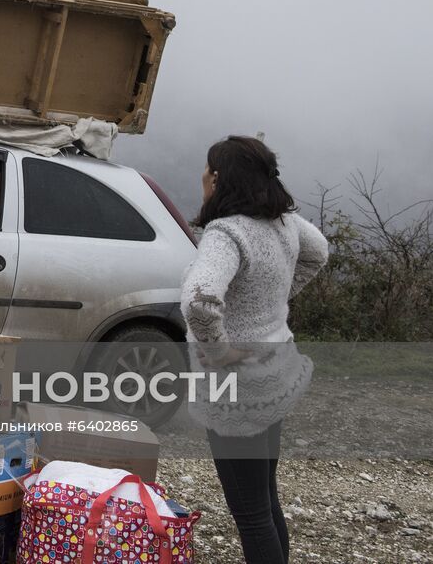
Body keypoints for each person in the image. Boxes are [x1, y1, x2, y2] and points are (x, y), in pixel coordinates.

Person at [180, 135, 329, 564]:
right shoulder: (284, 223)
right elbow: (319, 253)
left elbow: (199, 301)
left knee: (250, 514)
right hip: (275, 375)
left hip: (236, 391)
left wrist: (219, 351)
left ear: (218, 177)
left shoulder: (226, 234)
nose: (203, 176)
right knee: (265, 500)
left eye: (207, 169)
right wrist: (277, 303)